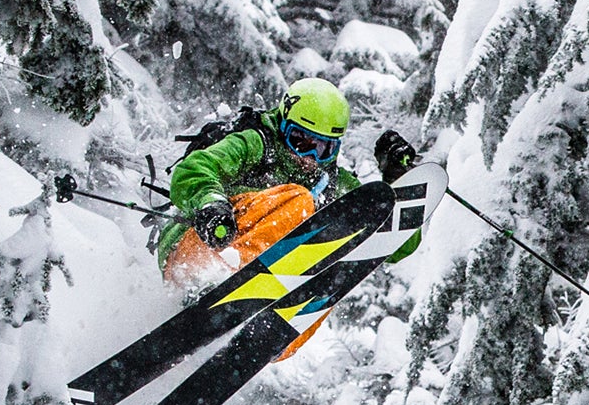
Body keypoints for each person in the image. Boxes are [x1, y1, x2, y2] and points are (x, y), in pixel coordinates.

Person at [157, 77, 422, 272]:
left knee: (322, 276)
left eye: (324, 148)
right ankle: (224, 277)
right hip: (198, 247)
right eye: (301, 141)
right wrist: (210, 202)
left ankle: (264, 341)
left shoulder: (329, 182)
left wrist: (397, 183)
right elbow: (194, 168)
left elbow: (394, 243)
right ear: (283, 125)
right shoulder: (256, 143)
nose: (310, 158)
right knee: (299, 201)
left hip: (262, 282)